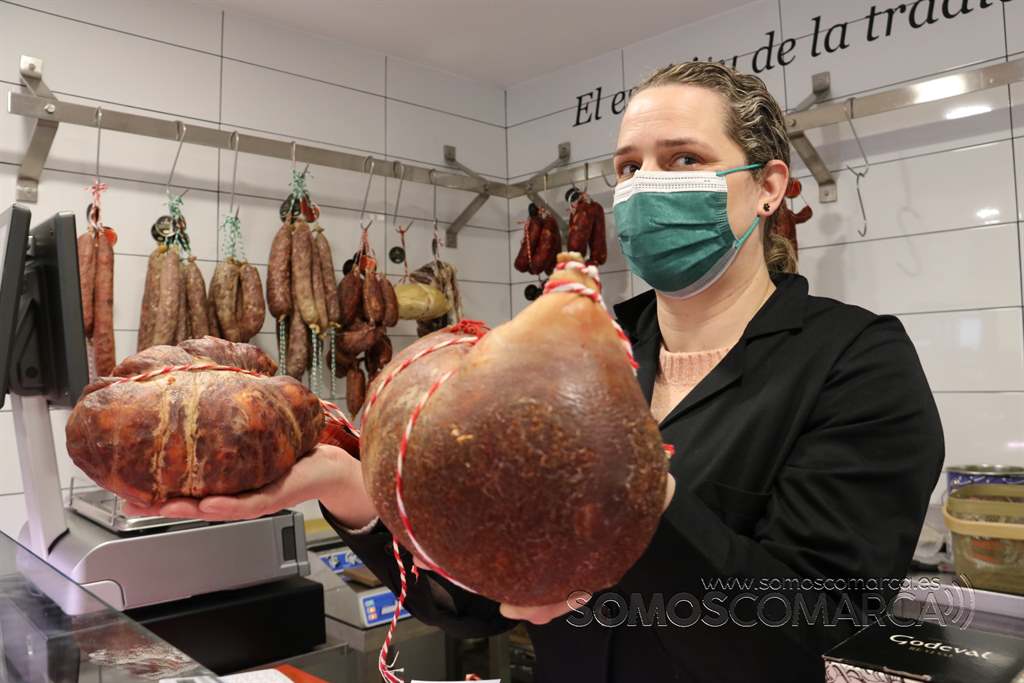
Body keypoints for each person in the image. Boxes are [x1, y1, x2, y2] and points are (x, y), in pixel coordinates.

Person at [129, 62, 944, 682]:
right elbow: (476, 602)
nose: (644, 187)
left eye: (682, 156)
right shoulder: (579, 345)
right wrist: (351, 487)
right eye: (628, 167)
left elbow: (814, 625)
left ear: (769, 188)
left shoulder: (855, 362)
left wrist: (634, 495)